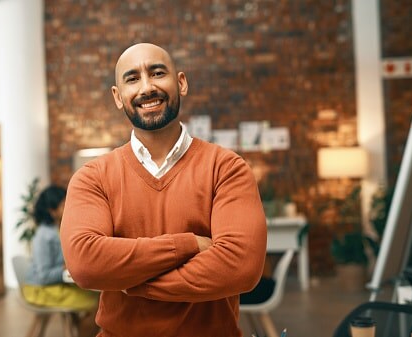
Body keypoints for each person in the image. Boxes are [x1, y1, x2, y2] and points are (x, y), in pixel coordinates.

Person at [60, 43, 267, 337]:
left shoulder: (226, 168)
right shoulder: (92, 177)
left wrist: (130, 281)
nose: (147, 87)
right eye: (132, 78)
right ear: (118, 97)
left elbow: (241, 266)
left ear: (181, 82)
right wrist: (189, 245)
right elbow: (85, 262)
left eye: (157, 73)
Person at [23, 185, 99, 337]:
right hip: (40, 290)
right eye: (64, 204)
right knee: (98, 303)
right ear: (52, 210)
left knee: (98, 299)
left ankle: (79, 330)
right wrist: (65, 268)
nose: (69, 206)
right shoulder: (44, 236)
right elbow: (44, 276)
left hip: (53, 286)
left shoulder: (59, 229)